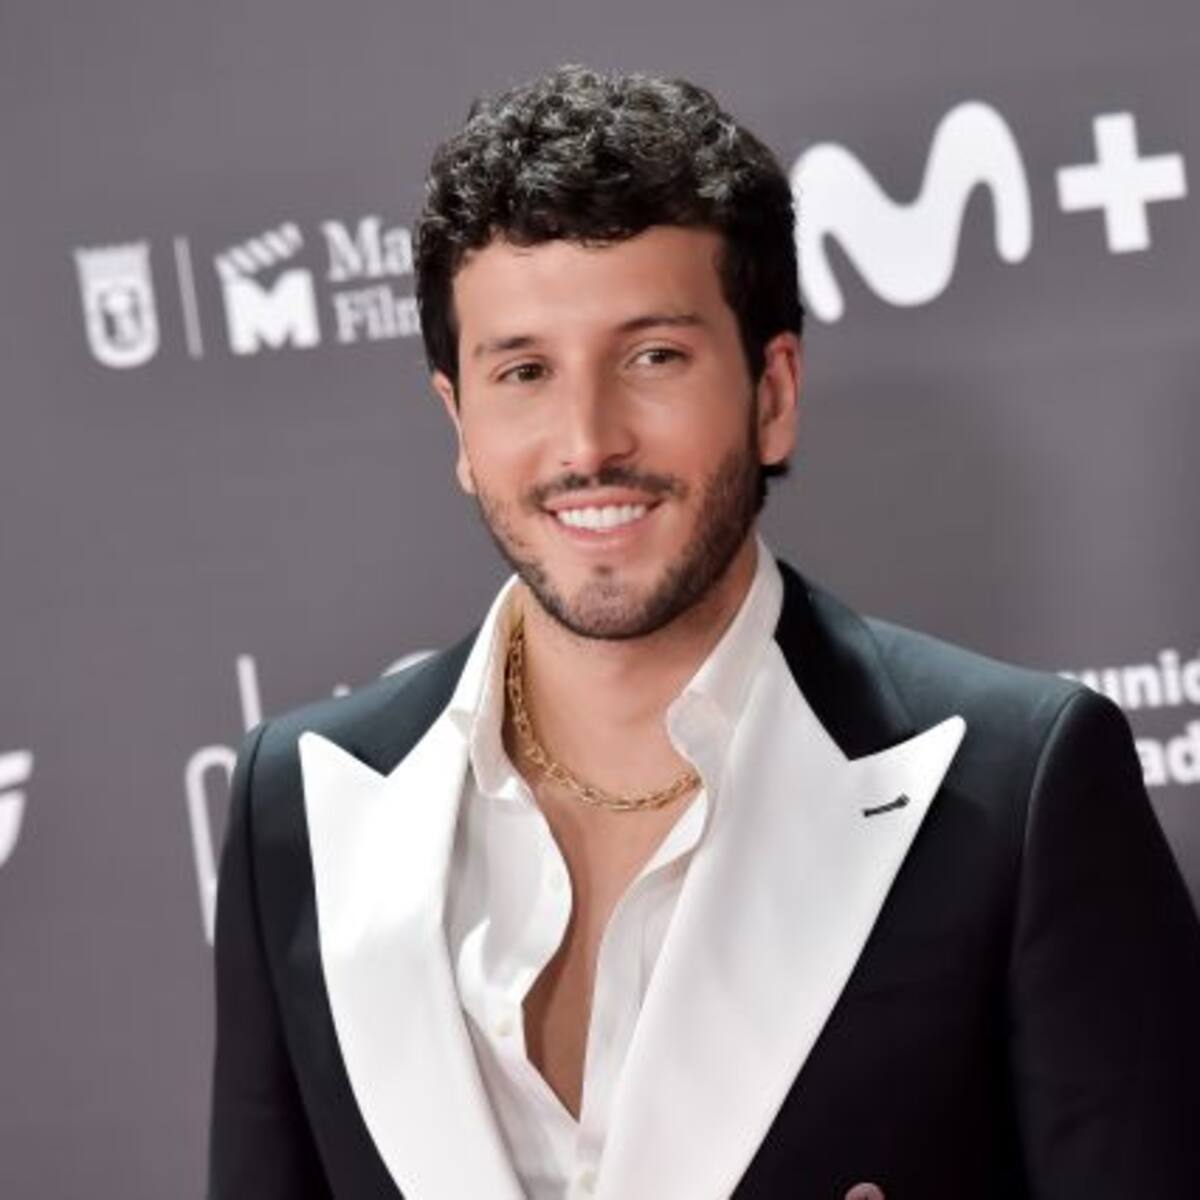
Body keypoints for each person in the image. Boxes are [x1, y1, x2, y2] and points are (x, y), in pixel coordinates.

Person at [207, 65, 1200, 1200]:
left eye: (653, 358)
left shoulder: (1017, 791)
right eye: (524, 371)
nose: (589, 439)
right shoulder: (303, 806)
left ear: (772, 392)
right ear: (461, 425)